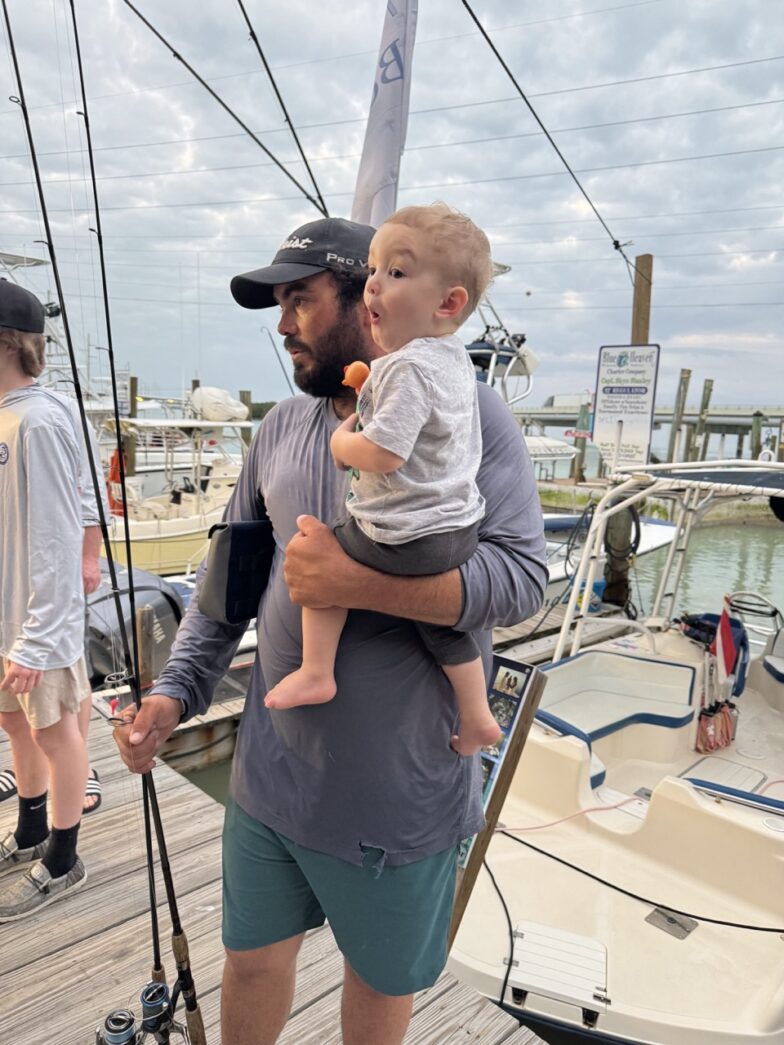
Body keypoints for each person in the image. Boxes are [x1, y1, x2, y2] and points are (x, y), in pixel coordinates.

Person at [113, 216, 547, 1045]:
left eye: (301, 301)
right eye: (279, 305)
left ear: (368, 301)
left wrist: (358, 581)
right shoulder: (279, 426)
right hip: (270, 780)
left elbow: (522, 580)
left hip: (398, 801)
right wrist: (172, 695)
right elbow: (228, 590)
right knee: (249, 963)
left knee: (375, 992)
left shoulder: (475, 414)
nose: (283, 327)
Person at [264, 204, 501, 756]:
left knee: (318, 554)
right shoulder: (448, 363)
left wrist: (341, 444)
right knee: (444, 629)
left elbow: (384, 452)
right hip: (451, 529)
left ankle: (317, 669)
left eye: (300, 301)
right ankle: (478, 714)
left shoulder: (407, 369)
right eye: (374, 271)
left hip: (404, 533)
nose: (376, 286)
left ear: (448, 302)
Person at [0, 280, 91, 919]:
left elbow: (58, 535)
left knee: (55, 732)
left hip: (38, 624)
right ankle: (30, 827)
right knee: (14, 722)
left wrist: (35, 637)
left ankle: (64, 856)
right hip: (6, 616)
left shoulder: (39, 421)